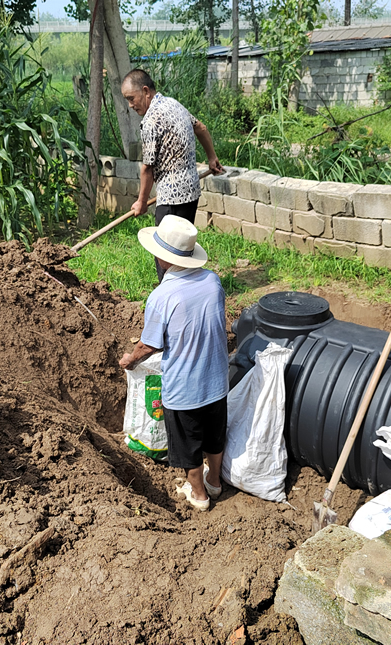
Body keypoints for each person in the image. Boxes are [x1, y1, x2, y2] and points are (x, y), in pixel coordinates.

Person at [119, 215, 229, 511]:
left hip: (184, 389)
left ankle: (199, 495)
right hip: (218, 380)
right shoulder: (212, 281)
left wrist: (131, 360)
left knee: (187, 444)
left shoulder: (162, 296)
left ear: (161, 257)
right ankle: (215, 483)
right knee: (215, 435)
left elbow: (149, 344)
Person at [121, 69, 225, 281]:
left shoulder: (151, 120)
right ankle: (186, 289)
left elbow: (147, 167)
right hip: (191, 192)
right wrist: (212, 157)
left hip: (170, 199)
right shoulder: (174, 104)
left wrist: (141, 202)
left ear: (145, 91)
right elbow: (201, 128)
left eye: (132, 99)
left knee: (166, 255)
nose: (131, 105)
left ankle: (168, 294)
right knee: (183, 249)